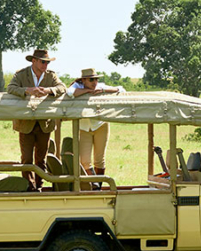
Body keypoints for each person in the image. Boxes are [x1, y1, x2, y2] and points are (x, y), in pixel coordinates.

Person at [7, 49, 67, 190]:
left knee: (41, 159)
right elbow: (11, 88)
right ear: (33, 61)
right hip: (25, 123)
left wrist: (47, 91)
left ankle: (39, 187)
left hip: (44, 123)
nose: (45, 65)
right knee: (26, 158)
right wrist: (28, 90)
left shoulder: (51, 76)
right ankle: (29, 187)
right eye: (43, 62)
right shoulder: (21, 74)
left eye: (47, 62)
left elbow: (62, 87)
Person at [66, 68, 124, 184]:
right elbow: (70, 92)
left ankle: (98, 187)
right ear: (83, 80)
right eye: (91, 80)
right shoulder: (77, 86)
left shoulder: (100, 86)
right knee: (84, 160)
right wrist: (87, 91)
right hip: (83, 127)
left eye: (96, 79)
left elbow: (122, 89)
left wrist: (103, 90)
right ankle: (94, 183)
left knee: (99, 160)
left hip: (100, 125)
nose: (95, 82)